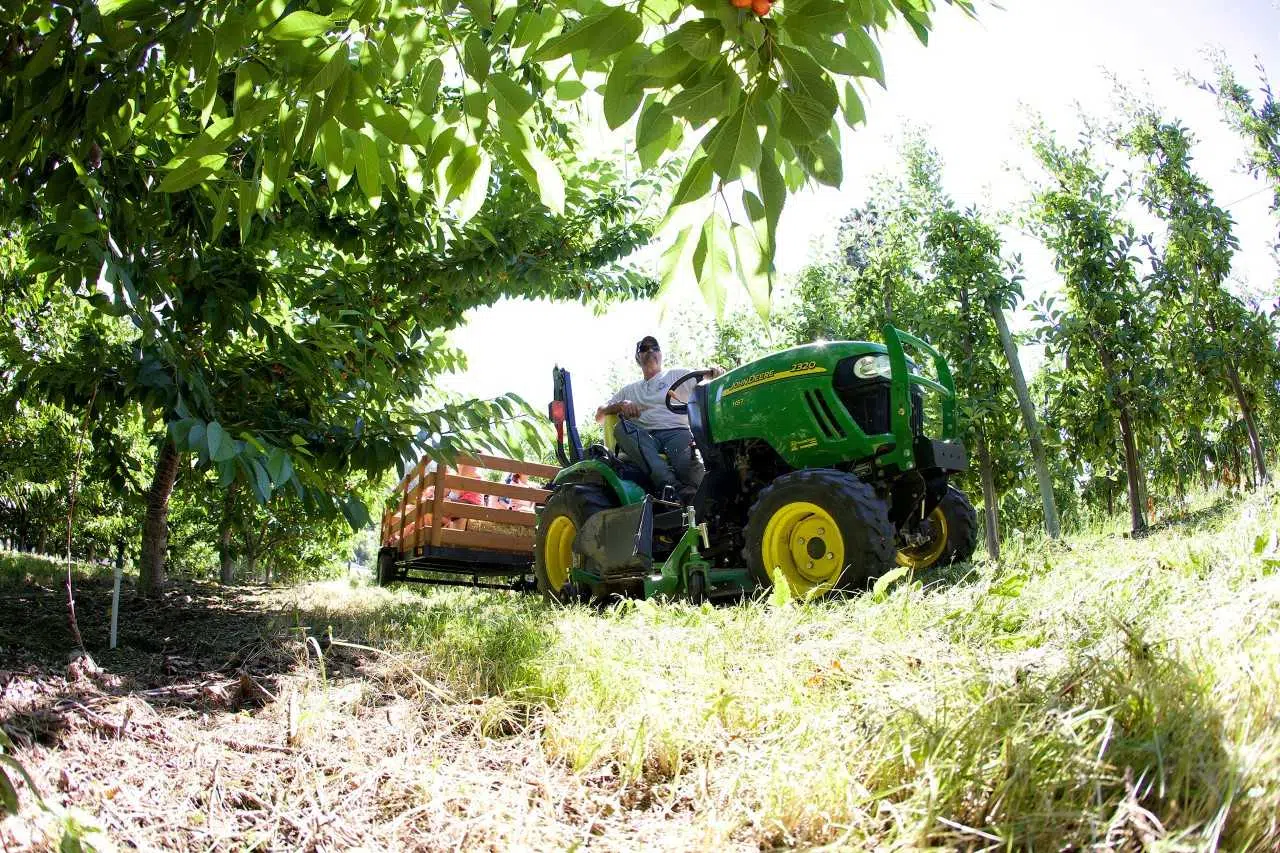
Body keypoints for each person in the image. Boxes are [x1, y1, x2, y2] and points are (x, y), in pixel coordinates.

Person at [595, 335, 723, 502]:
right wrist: (621, 405)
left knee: (692, 470)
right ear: (638, 358)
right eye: (644, 348)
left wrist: (716, 371)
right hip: (646, 438)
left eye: (654, 347)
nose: (650, 351)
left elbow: (708, 378)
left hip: (676, 432)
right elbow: (599, 415)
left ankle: (705, 496)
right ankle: (672, 489)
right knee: (621, 429)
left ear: (661, 354)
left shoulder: (677, 375)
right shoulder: (629, 390)